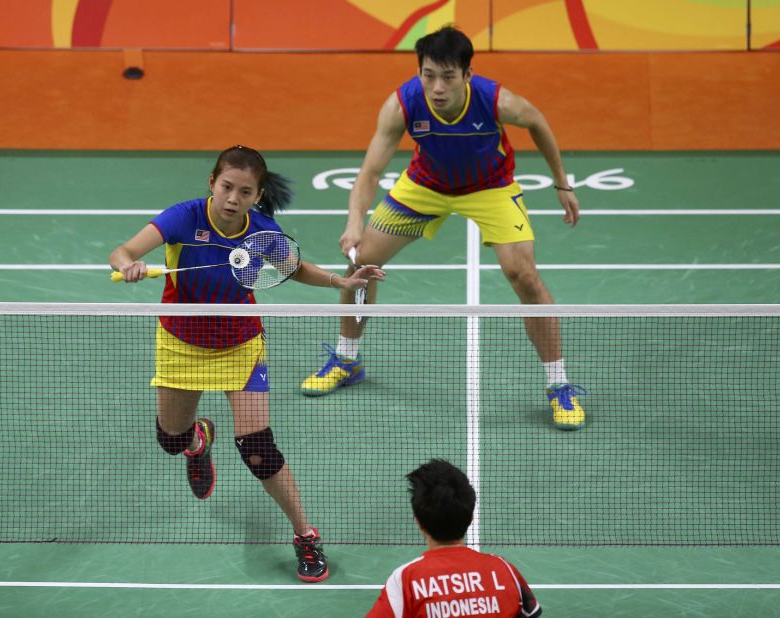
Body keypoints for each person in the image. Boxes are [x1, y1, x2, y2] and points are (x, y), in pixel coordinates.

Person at [108, 145, 385, 582]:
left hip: (240, 344)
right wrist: (130, 265)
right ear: (212, 184)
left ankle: (305, 535)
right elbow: (122, 250)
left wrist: (340, 281)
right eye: (226, 188)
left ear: (257, 195)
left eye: (245, 191)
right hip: (181, 342)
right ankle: (198, 440)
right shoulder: (184, 217)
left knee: (257, 448)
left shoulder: (261, 230)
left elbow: (292, 267)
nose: (233, 198)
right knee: (170, 440)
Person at [300, 26, 586, 430]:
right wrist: (354, 222)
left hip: (491, 187)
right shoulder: (401, 105)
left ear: (467, 76)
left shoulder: (495, 100)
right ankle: (348, 359)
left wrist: (562, 183)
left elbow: (537, 122)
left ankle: (559, 384)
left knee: (521, 273)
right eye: (429, 74)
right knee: (361, 263)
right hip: (426, 187)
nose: (437, 87)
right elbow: (370, 171)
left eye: (448, 77)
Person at [366, 459, 541, 617]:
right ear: (471, 518)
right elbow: (530, 612)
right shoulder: (504, 570)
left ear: (418, 522)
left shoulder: (406, 580)